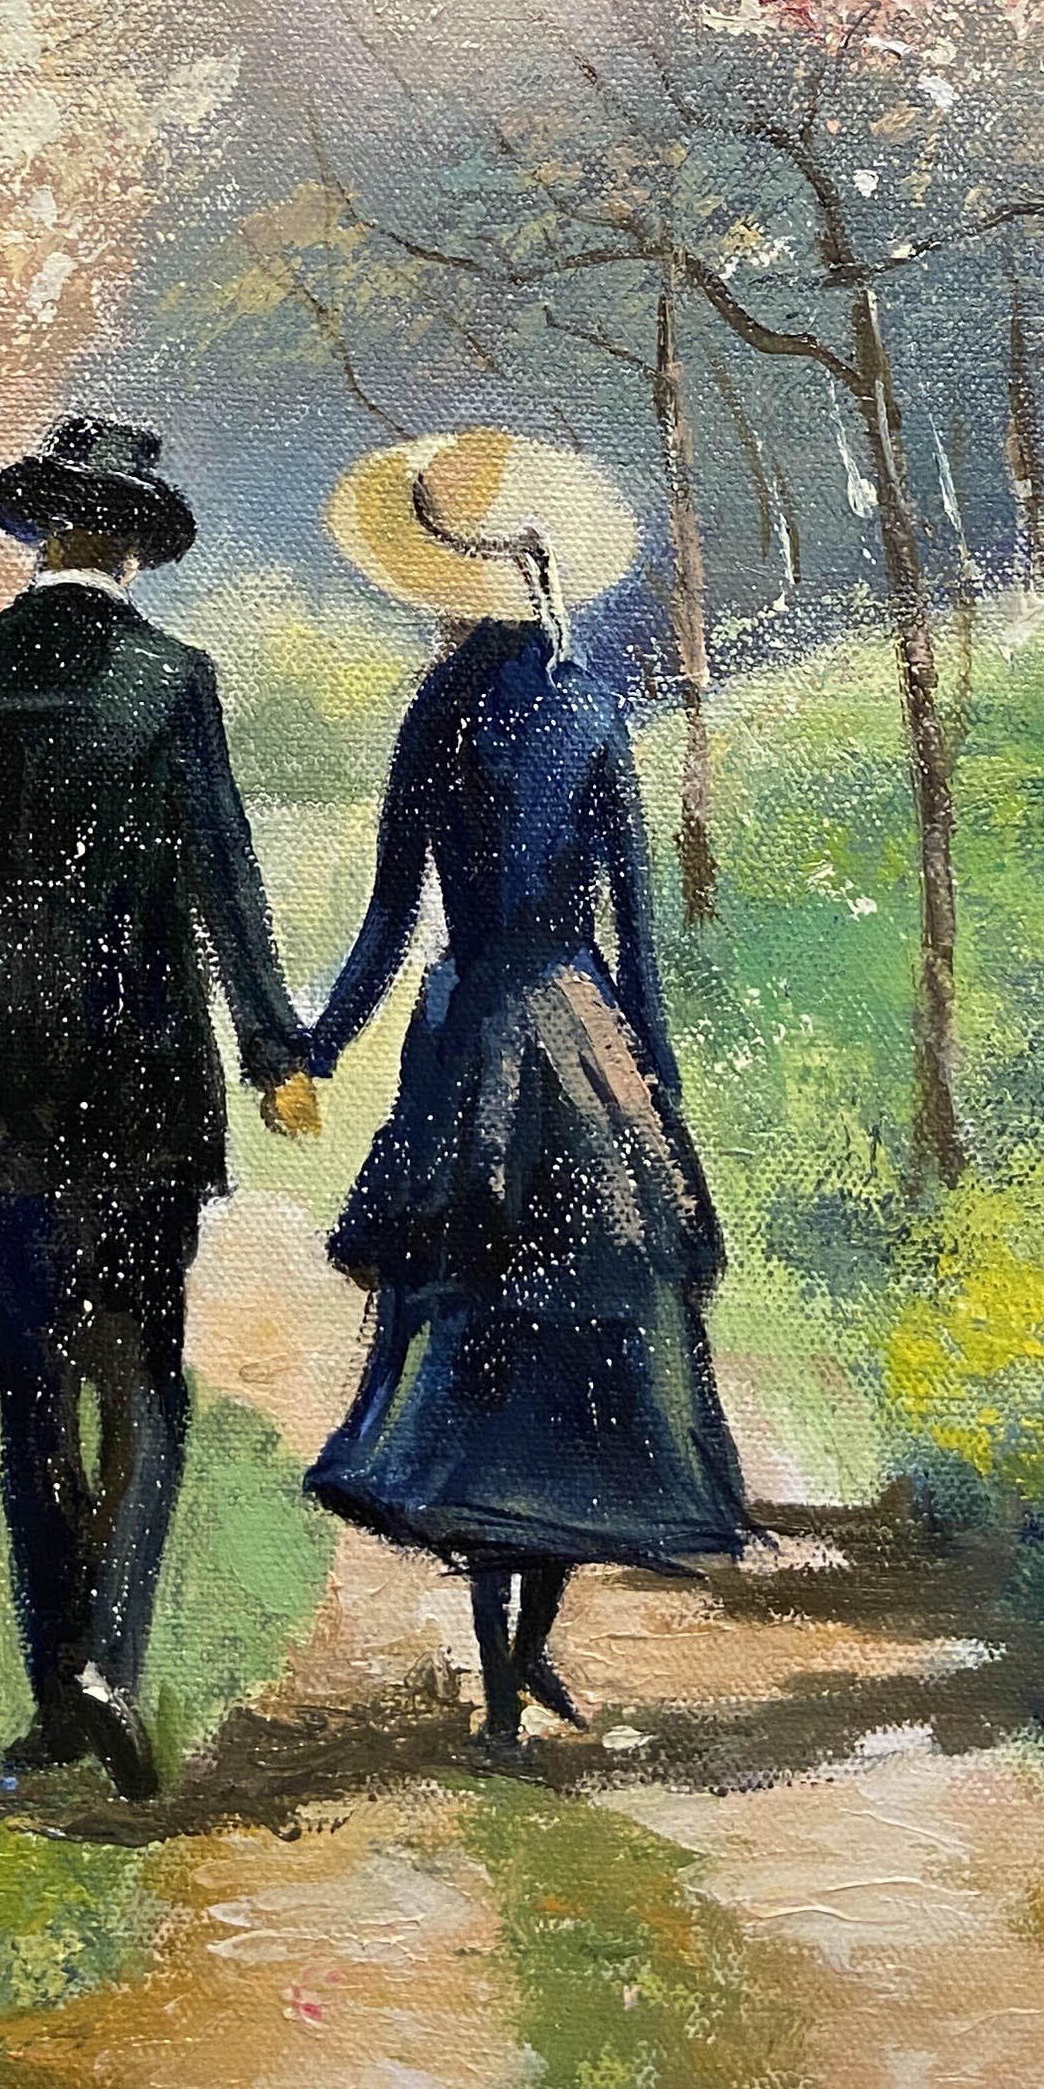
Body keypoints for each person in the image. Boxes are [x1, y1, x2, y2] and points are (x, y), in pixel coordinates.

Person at [0, 418, 318, 1801]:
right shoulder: (175, 680)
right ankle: (111, 1663)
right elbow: (226, 877)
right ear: (132, 548)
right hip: (145, 1085)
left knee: (29, 1399)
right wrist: (274, 1053)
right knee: (141, 1381)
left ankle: (58, 1698)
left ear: (48, 530)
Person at [301, 427, 751, 1750]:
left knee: (479, 1356)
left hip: (471, 1045)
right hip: (586, 1043)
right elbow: (636, 932)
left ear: (441, 586)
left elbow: (392, 919)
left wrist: (317, 1050)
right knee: (577, 1353)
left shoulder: (436, 714)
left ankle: (503, 1684)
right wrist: (654, 1084)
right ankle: (531, 1655)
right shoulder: (595, 709)